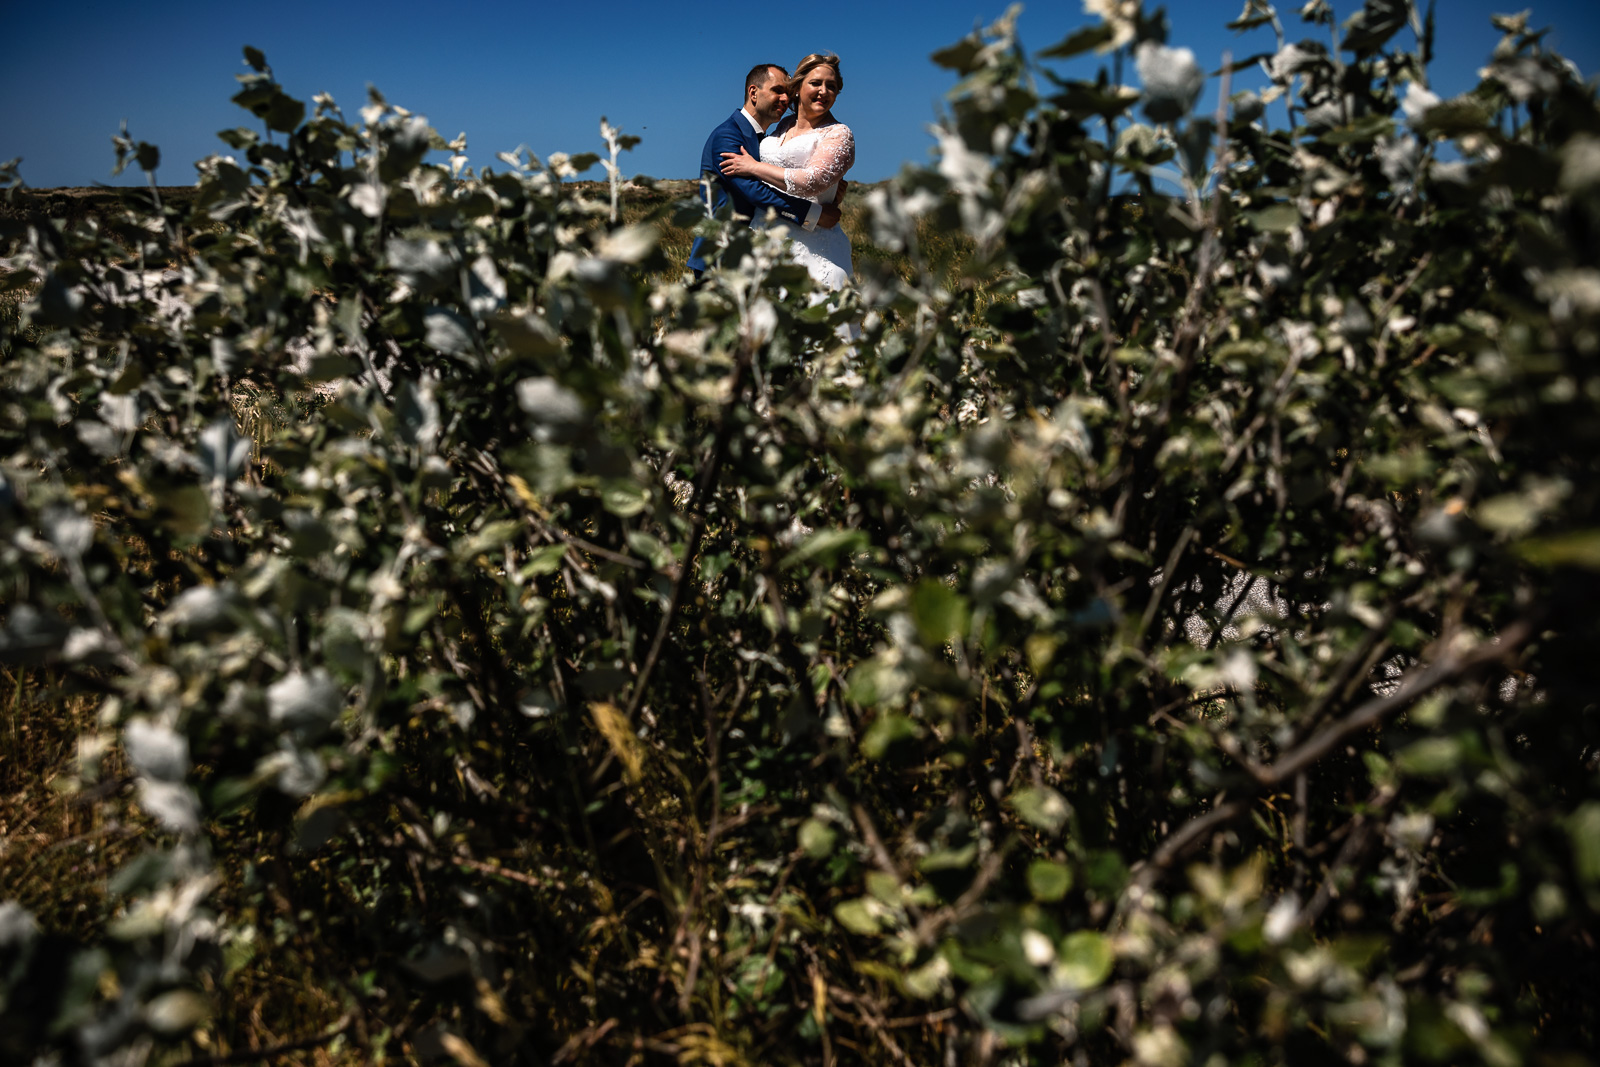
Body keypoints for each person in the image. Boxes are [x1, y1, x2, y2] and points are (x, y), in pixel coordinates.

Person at [687, 63, 844, 277]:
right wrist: (813, 215)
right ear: (753, 92)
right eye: (777, 90)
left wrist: (831, 191)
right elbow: (754, 191)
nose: (785, 99)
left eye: (788, 93)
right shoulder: (728, 136)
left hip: (757, 257)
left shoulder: (770, 139)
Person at [718, 53, 855, 292]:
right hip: (766, 241)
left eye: (831, 87)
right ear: (798, 86)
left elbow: (812, 181)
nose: (824, 91)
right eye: (816, 83)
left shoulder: (839, 134)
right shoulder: (782, 126)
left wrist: (753, 167)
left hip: (814, 246)